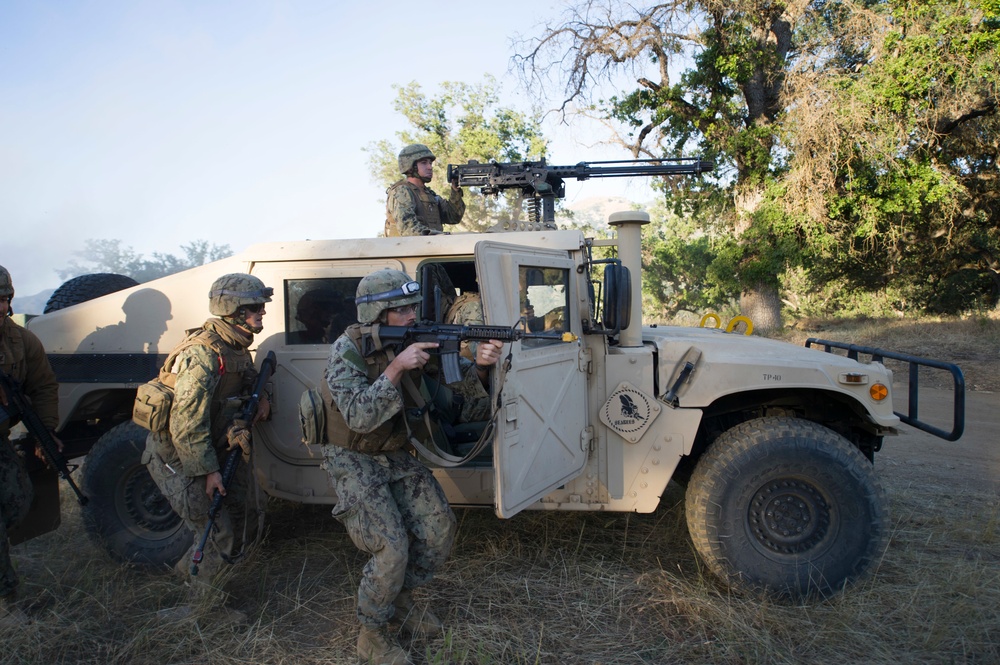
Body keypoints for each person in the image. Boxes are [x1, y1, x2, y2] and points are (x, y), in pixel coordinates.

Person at [322, 268, 502, 665]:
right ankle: (372, 633)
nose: (410, 315)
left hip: (395, 450)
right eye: (400, 309)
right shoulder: (347, 349)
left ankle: (400, 600)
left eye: (411, 306)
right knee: (391, 547)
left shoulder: (416, 339)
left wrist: (485, 367)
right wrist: (396, 368)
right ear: (378, 314)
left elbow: (462, 402)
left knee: (438, 531)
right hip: (353, 454)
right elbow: (358, 417)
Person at [142, 273, 272, 621]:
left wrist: (263, 400)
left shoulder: (236, 346)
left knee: (244, 518)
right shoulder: (203, 353)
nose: (262, 313)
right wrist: (208, 472)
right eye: (254, 308)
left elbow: (244, 386)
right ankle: (203, 609)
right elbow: (186, 423)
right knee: (217, 530)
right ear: (233, 310)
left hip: (214, 450)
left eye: (261, 306)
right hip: (182, 458)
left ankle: (190, 573)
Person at [0, 264, 60, 627]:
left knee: (18, 501)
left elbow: (43, 386)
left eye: (5, 299)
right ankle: (7, 604)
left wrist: (45, 431)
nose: (2, 308)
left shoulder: (20, 340)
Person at [385, 144, 465, 237]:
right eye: (424, 163)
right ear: (411, 166)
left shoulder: (430, 194)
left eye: (430, 163)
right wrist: (439, 236)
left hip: (429, 247)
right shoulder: (401, 191)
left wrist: (455, 191)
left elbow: (453, 218)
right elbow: (408, 229)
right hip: (406, 249)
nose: (429, 167)